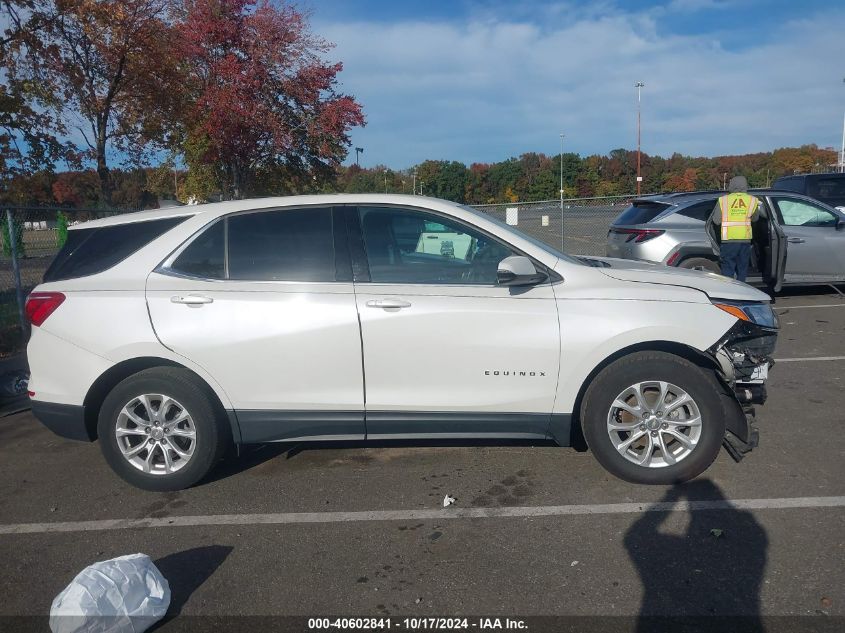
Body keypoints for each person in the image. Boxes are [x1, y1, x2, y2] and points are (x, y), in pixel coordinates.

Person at [711, 176, 760, 282]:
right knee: (742, 270)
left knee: (728, 271)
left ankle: (728, 294)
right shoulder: (752, 200)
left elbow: (716, 220)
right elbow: (756, 219)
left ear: (731, 185)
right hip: (745, 240)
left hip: (729, 241)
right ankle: (741, 294)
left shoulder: (723, 200)